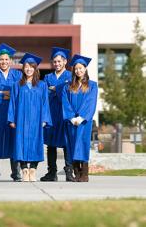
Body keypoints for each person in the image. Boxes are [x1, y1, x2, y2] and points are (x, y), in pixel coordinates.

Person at [8, 53, 52, 182]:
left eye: (31, 67)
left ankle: (33, 170)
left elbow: (45, 103)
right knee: (20, 143)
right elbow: (13, 103)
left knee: (35, 143)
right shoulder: (17, 85)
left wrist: (45, 119)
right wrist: (11, 119)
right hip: (21, 119)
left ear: (35, 68)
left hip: (36, 120)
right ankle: (24, 170)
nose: (28, 69)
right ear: (23, 68)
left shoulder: (42, 85)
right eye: (26, 66)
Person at [0, 43, 22, 182]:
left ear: (11, 60)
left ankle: (16, 174)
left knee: (13, 142)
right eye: (1, 59)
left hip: (12, 114)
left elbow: (19, 92)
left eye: (6, 59)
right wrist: (8, 94)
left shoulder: (18, 74)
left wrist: (1, 93)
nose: (4, 62)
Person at [62, 54, 98, 182]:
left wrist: (81, 117)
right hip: (71, 121)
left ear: (85, 69)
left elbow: (90, 102)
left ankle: (85, 174)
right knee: (72, 145)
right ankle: (77, 172)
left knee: (82, 144)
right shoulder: (67, 86)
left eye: (81, 68)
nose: (78, 71)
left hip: (84, 122)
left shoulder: (92, 85)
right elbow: (65, 102)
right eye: (76, 68)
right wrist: (71, 117)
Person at [41, 47, 74, 182]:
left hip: (65, 113)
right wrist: (61, 88)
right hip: (51, 114)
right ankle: (52, 173)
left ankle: (68, 172)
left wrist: (55, 89)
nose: (57, 64)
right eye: (54, 62)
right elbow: (45, 94)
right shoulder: (48, 77)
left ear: (65, 61)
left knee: (67, 143)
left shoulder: (71, 76)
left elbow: (70, 93)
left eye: (59, 61)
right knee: (51, 144)